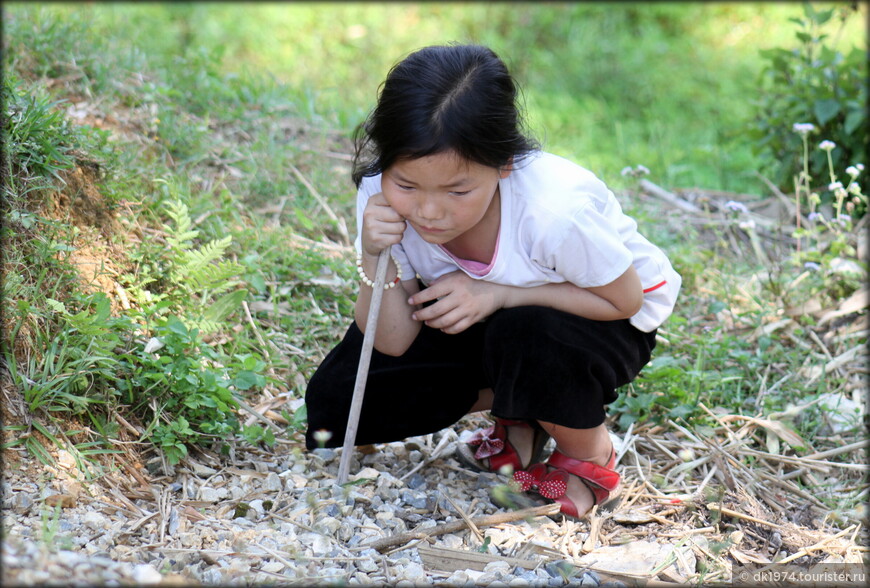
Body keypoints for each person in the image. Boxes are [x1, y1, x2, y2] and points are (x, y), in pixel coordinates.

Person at [304, 44, 680, 519]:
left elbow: (624, 299)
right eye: (408, 186)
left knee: (524, 333)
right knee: (338, 402)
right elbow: (393, 341)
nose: (428, 211)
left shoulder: (554, 212)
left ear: (504, 164)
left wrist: (500, 293)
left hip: (600, 316)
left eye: (457, 191)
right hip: (478, 315)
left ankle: (589, 455)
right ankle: (520, 414)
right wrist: (374, 253)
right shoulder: (380, 195)